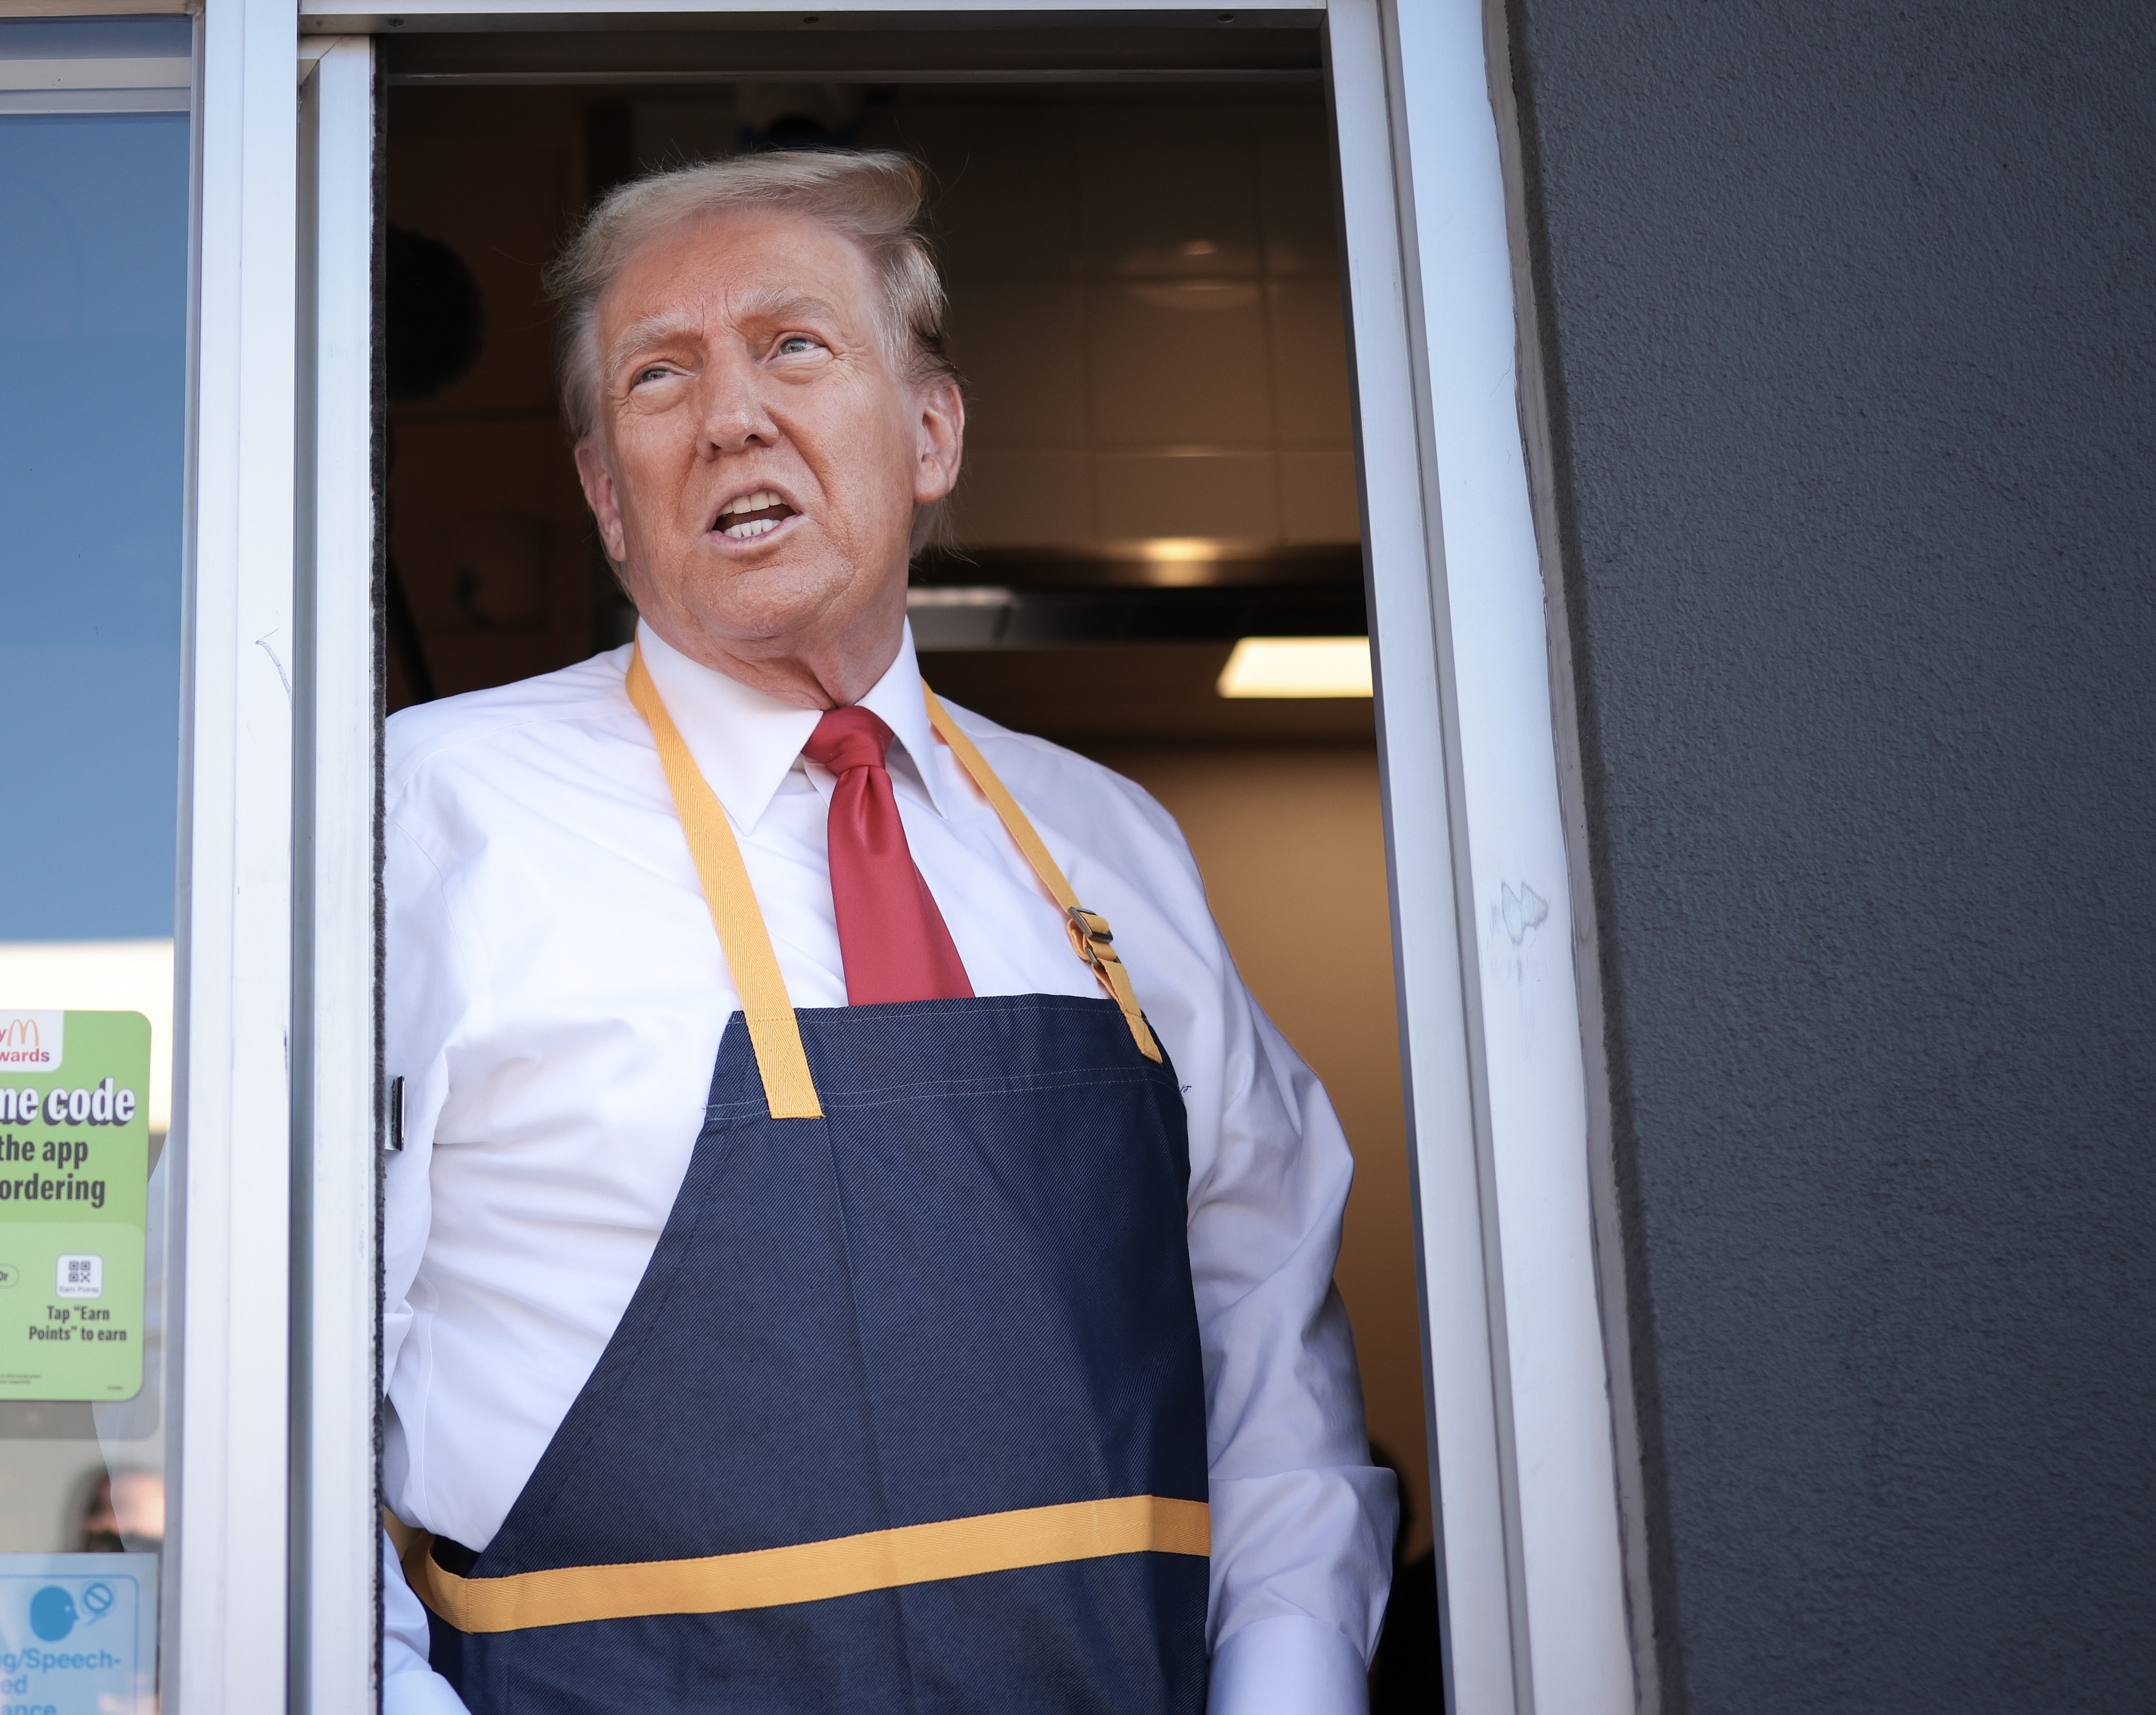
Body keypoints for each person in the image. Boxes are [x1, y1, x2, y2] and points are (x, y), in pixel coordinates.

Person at [378, 149, 1396, 1712]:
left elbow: (1272, 1370)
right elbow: (241, 1384)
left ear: (931, 434)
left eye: (794, 345)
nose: (730, 416)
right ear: (602, 493)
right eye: (660, 376)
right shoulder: (428, 815)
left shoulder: (1114, 845)